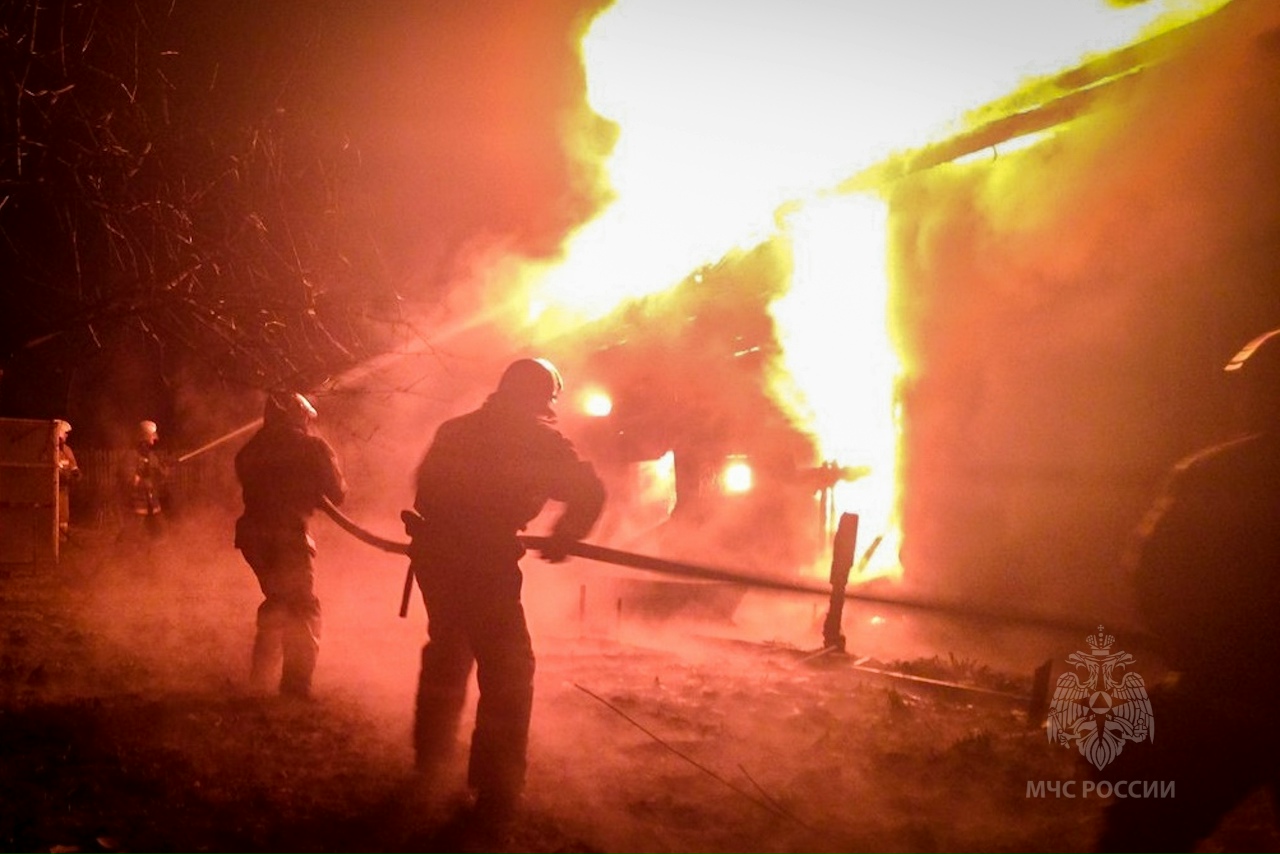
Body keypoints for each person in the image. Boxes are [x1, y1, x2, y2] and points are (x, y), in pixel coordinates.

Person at [1094, 327, 1280, 853]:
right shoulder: (1211, 474)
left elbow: (1154, 574)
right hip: (1228, 693)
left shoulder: (1213, 474)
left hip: (1221, 699)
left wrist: (1194, 652)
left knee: (1142, 833)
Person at [404, 357, 605, 834]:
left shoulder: (455, 430)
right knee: (509, 671)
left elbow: (424, 492)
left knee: (449, 651)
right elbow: (589, 491)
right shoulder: (537, 440)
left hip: (437, 561)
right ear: (541, 399)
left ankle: (430, 759)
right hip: (484, 565)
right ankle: (496, 788)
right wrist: (566, 534)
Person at [234, 391, 347, 699]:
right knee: (302, 607)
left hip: (252, 538)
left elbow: (255, 478)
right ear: (299, 415)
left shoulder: (250, 450)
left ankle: (260, 679)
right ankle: (295, 688)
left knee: (278, 600)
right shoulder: (313, 448)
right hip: (288, 536)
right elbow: (337, 493)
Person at [129, 419, 168, 537]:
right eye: (151, 437)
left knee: (160, 532)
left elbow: (160, 475)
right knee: (132, 533)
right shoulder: (132, 457)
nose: (154, 441)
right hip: (138, 503)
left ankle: (155, 548)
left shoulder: (152, 457)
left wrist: (164, 470)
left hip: (152, 502)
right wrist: (143, 481)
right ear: (144, 438)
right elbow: (129, 479)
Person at [54, 419, 81, 540]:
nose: (67, 436)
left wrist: (76, 474)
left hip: (63, 491)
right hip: (49, 491)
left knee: (63, 517)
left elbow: (74, 468)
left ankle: (62, 541)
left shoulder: (67, 450)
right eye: (65, 433)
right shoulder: (49, 450)